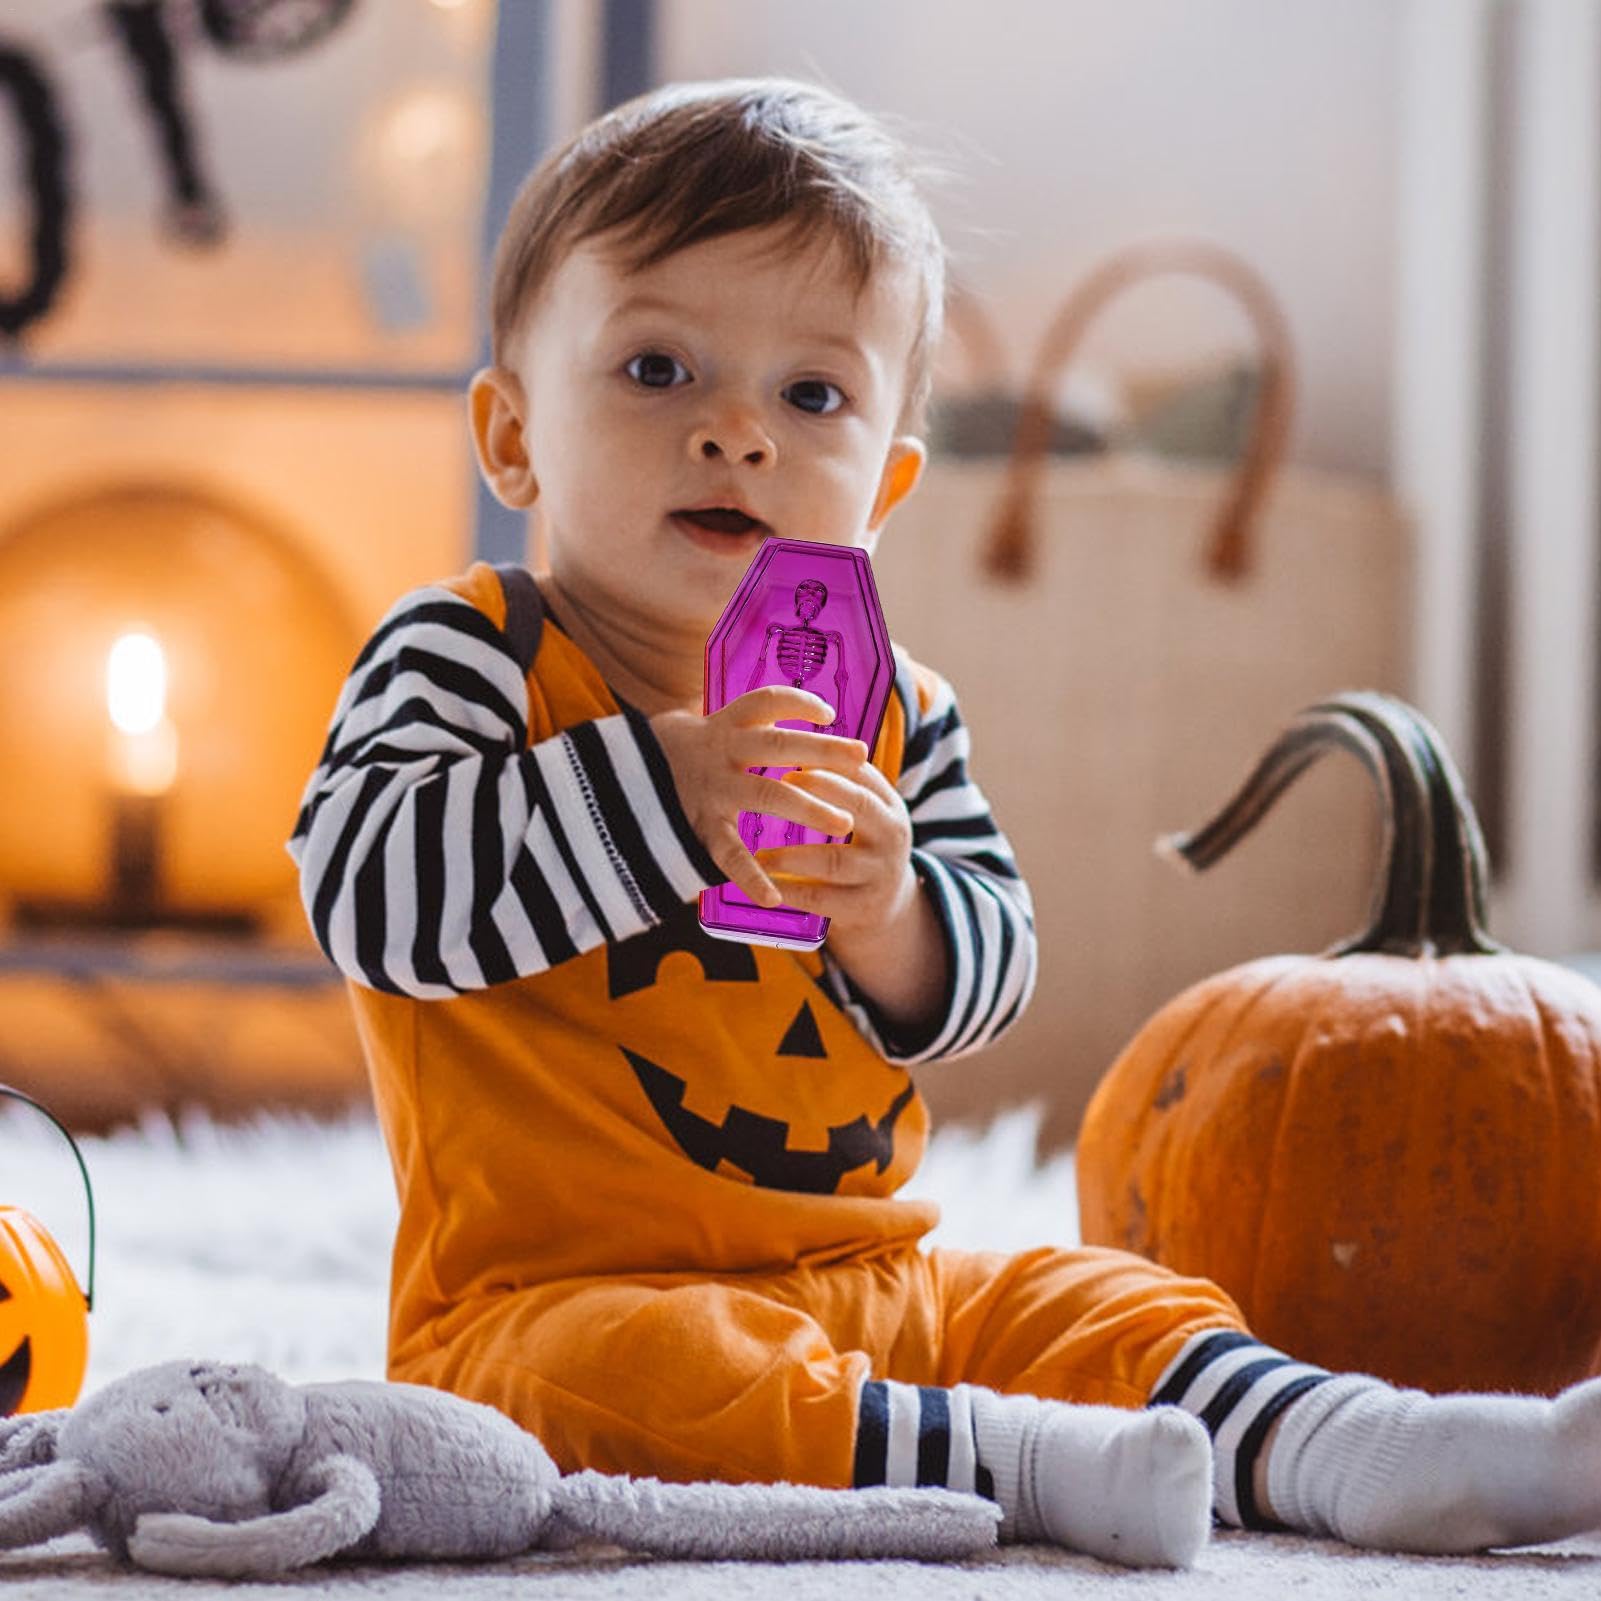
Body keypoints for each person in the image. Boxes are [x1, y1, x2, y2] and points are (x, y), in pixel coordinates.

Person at [290, 78, 1601, 1569]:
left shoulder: (891, 705)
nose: (734, 433)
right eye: (657, 368)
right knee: (621, 1387)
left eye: (810, 395)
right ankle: (1029, 1463)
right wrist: (666, 783)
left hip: (866, 1271)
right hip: (548, 1297)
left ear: (886, 484)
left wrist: (887, 914)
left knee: (1093, 1296)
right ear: (513, 438)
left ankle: (1364, 1443)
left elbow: (990, 962)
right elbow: (371, 900)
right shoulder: (473, 655)